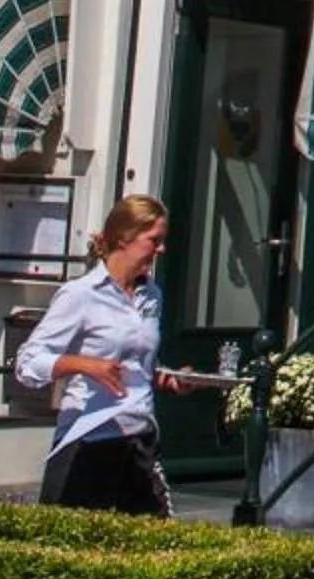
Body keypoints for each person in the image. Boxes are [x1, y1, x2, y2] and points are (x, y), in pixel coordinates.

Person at [13, 193, 188, 515]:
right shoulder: (80, 295)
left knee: (153, 551)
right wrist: (84, 364)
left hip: (139, 436)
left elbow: (136, 364)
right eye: (154, 240)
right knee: (69, 550)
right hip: (88, 438)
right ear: (124, 238)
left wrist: (166, 378)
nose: (161, 249)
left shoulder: (152, 296)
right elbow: (27, 363)